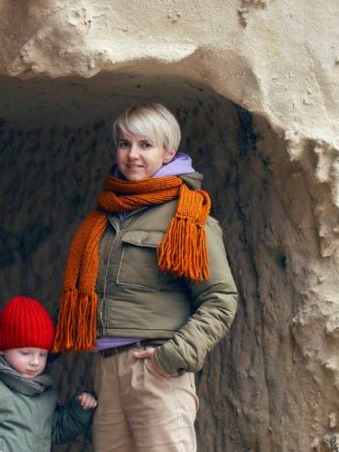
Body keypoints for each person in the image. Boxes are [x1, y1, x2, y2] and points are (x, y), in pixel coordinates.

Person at [52, 103, 238, 451]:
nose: (132, 154)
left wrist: (171, 357)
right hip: (106, 370)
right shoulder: (106, 215)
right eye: (124, 144)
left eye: (145, 145)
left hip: (156, 370)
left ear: (169, 151)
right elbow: (81, 297)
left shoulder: (188, 216)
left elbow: (220, 299)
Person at [0, 296, 97, 452]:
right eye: (25, 353)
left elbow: (58, 431)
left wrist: (80, 409)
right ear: (3, 349)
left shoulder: (45, 392)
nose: (35, 362)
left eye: (42, 354)